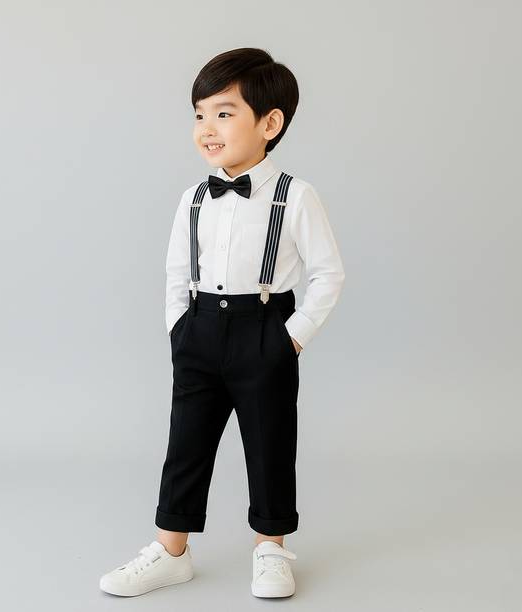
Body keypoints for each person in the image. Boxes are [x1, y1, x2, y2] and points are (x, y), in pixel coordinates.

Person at [99, 47, 346, 599]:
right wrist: (179, 330)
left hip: (265, 329)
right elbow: (176, 271)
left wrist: (291, 338)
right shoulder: (193, 197)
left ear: (270, 123)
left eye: (224, 113)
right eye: (199, 114)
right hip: (201, 328)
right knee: (186, 443)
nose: (207, 128)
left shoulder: (296, 196)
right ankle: (171, 550)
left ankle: (271, 548)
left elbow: (329, 274)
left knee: (270, 442)